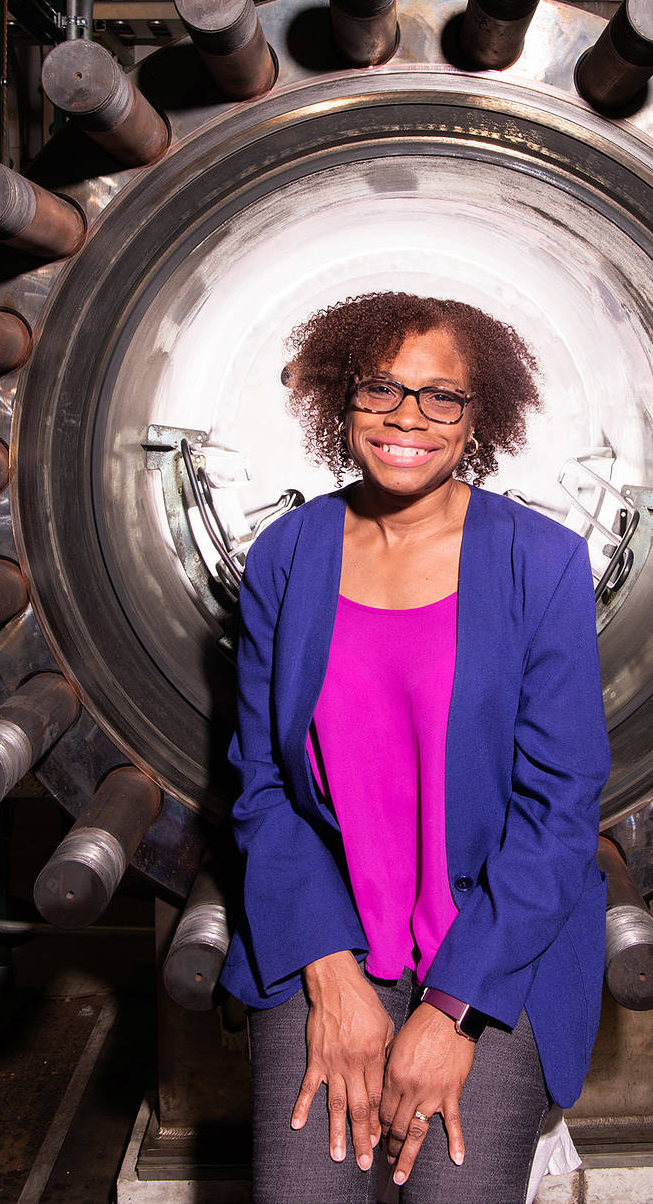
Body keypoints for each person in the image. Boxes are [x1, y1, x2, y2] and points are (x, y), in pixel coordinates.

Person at [220, 290, 610, 1204]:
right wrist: (329, 973)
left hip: (489, 946)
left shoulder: (541, 561)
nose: (408, 417)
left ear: (479, 418)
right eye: (381, 388)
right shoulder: (286, 554)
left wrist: (454, 1009)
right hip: (326, 930)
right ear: (338, 399)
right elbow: (259, 782)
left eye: (442, 396)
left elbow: (558, 813)